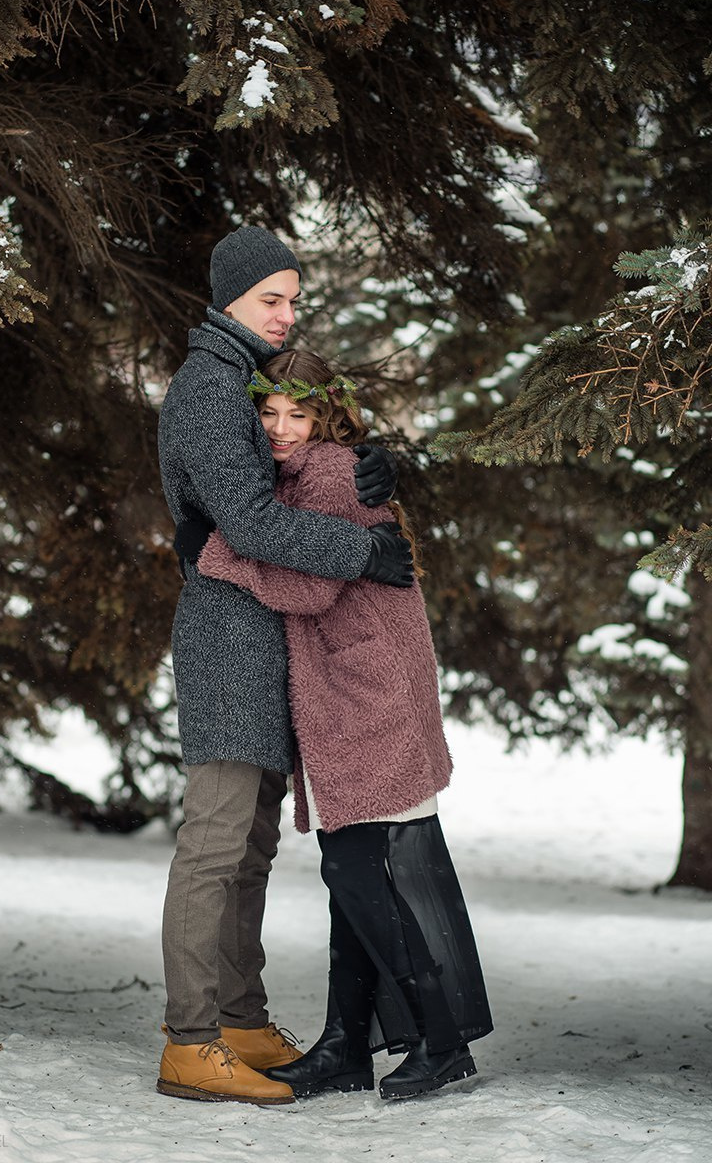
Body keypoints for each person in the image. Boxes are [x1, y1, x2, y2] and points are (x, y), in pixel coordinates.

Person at [156, 227, 413, 1106]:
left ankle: (239, 1018)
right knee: (216, 844)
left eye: (294, 299)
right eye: (273, 298)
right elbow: (257, 525)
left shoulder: (249, 383)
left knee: (254, 847)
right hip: (229, 637)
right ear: (228, 296)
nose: (286, 313)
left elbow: (299, 461)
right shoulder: (207, 389)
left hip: (267, 635)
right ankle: (191, 1039)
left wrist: (368, 465)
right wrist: (362, 554)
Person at [197, 349, 493, 1101]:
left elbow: (309, 584)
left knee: (361, 874)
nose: (280, 430)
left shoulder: (329, 476)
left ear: (326, 415)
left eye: (298, 414)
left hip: (369, 696)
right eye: (268, 413)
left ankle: (442, 1038)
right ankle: (345, 1046)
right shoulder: (300, 476)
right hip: (349, 696)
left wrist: (219, 555)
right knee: (350, 875)